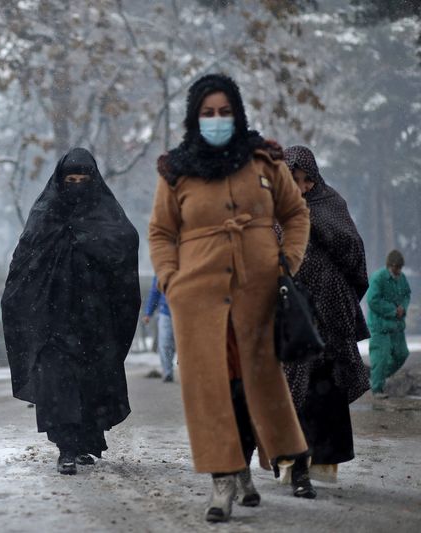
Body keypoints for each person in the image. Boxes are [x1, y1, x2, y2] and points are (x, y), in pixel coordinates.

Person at [149, 73, 312, 522]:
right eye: (208, 113)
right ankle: (222, 481)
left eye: (224, 112)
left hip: (257, 296)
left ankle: (248, 468)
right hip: (196, 300)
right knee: (210, 392)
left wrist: (288, 261)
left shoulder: (264, 161)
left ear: (237, 114)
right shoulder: (176, 170)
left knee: (251, 388)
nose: (217, 120)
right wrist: (170, 281)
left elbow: (296, 213)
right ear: (194, 117)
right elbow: (162, 232)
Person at [1, 147, 141, 476]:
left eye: (83, 180)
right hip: (52, 320)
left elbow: (125, 243)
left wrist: (89, 246)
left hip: (94, 321)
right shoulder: (45, 215)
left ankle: (84, 442)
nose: (76, 186)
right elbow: (24, 260)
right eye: (70, 180)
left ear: (93, 182)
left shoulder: (105, 217)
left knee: (90, 383)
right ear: (60, 182)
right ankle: (66, 446)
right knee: (57, 382)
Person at [281, 145, 371, 491]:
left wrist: (312, 222)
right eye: (294, 180)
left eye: (307, 180)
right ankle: (295, 467)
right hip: (290, 319)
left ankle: (319, 464)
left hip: (329, 316)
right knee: (293, 393)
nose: (302, 187)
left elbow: (352, 250)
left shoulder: (331, 203)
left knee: (323, 393)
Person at [367, 250, 412, 397]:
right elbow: (373, 300)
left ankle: (376, 377)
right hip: (380, 326)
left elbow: (406, 294)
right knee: (381, 356)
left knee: (402, 354)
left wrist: (403, 309)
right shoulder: (378, 278)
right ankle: (377, 389)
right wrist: (393, 310)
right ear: (390, 265)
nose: (399, 271)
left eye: (400, 268)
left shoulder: (402, 278)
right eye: (397, 267)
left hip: (397, 326)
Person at [143, 276, 175, 382]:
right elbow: (155, 292)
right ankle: (167, 372)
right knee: (165, 343)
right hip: (165, 312)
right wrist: (148, 313)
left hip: (185, 312)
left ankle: (188, 372)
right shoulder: (160, 271)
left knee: (184, 345)